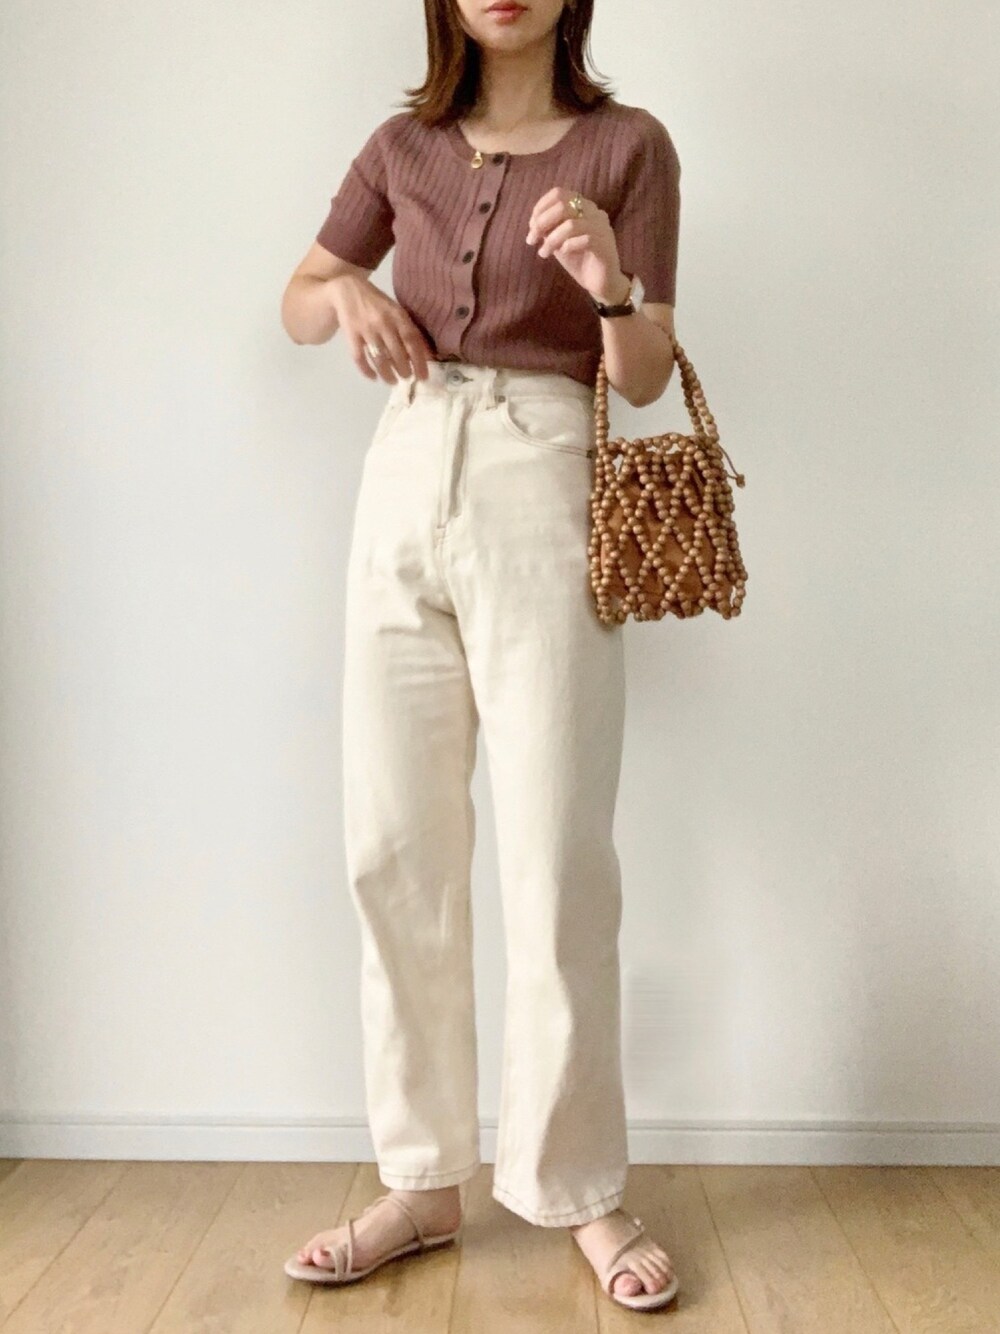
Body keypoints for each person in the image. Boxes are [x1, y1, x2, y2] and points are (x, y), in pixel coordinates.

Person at [279, 0, 681, 1312]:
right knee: (393, 846)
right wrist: (347, 290)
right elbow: (296, 299)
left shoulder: (629, 146)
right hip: (404, 468)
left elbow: (642, 376)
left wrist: (609, 282)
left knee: (557, 855)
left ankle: (579, 1186)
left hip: (544, 473)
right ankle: (421, 1177)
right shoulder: (403, 146)